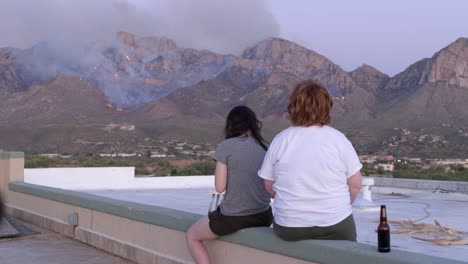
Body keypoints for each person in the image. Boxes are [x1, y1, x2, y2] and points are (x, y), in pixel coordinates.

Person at [258, 80, 362, 242]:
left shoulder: (281, 140)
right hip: (336, 224)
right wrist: (337, 209)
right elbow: (355, 185)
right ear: (327, 106)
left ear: (293, 107)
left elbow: (269, 185)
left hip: (290, 226)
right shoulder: (339, 139)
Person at [186, 105, 273, 264]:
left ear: (231, 125)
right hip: (264, 215)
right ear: (253, 124)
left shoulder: (227, 146)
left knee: (192, 235)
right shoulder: (266, 146)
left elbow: (219, 187)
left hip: (234, 217)